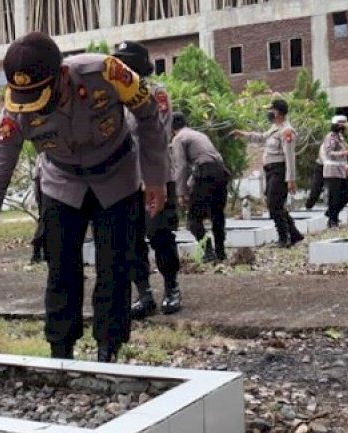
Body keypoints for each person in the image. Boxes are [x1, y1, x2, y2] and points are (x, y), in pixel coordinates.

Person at [0, 32, 169, 363]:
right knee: (61, 270)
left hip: (118, 178)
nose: (32, 106)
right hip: (62, 184)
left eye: (42, 95)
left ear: (63, 75)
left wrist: (155, 177)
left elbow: (149, 114)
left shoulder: (108, 72)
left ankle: (108, 351)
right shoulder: (16, 110)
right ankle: (61, 351)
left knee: (115, 267)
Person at [112, 41, 182, 318]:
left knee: (160, 234)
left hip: (155, 176)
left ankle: (172, 288)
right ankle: (143, 293)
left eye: (125, 62)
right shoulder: (111, 98)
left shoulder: (156, 93)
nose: (120, 67)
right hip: (124, 180)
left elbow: (158, 134)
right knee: (130, 240)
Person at [234, 99, 303, 248]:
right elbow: (262, 138)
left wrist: (291, 179)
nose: (268, 112)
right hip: (271, 171)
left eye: (270, 110)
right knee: (275, 204)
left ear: (277, 112)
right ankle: (295, 234)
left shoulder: (287, 131)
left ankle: (284, 238)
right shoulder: (274, 128)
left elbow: (290, 157)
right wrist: (244, 134)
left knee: (274, 205)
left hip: (280, 170)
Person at [171, 113, 231, 263]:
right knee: (217, 214)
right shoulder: (199, 134)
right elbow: (207, 159)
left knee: (193, 219)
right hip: (221, 171)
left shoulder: (178, 139)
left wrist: (180, 193)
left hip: (206, 174)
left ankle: (208, 251)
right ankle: (221, 252)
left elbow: (181, 166)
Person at [322, 115, 348, 228]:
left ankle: (330, 213)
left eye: (343, 123)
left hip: (341, 170)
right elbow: (329, 153)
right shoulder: (330, 137)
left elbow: (345, 149)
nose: (342, 125)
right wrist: (345, 153)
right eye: (339, 123)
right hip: (332, 170)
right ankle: (332, 221)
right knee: (334, 196)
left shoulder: (340, 137)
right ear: (334, 124)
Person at [30, 153, 47, 264]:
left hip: (43, 176)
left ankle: (44, 252)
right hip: (46, 178)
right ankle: (37, 248)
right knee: (46, 217)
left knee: (46, 217)